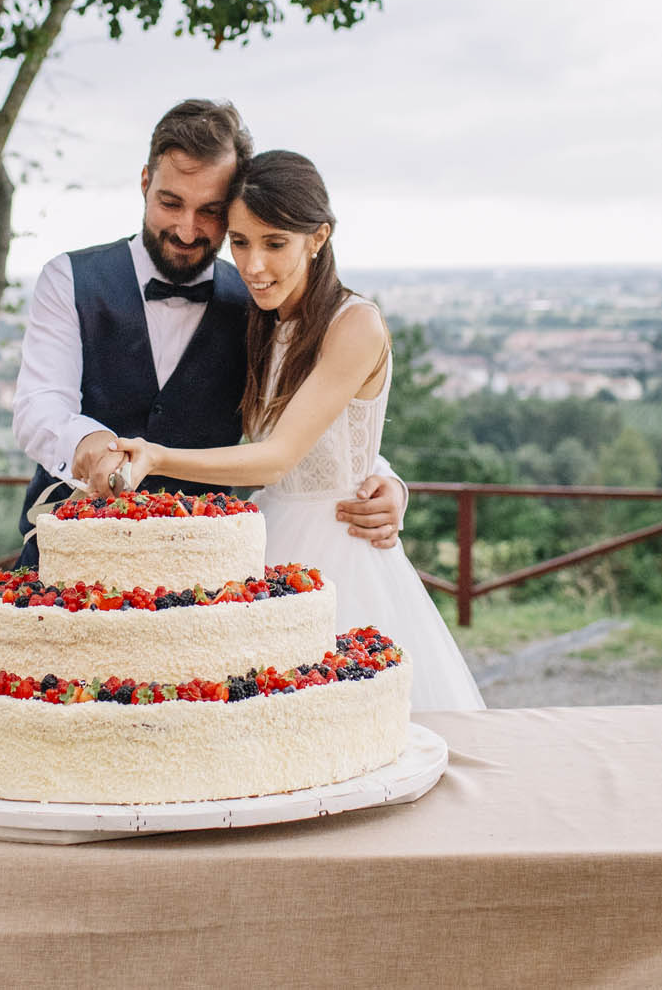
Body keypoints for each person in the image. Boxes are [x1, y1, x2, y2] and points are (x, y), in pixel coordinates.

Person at [112, 150, 485, 712]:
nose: (254, 264)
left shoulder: (354, 323)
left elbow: (279, 455)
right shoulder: (263, 319)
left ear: (319, 237)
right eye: (239, 242)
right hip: (267, 537)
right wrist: (385, 477)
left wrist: (155, 458)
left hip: (340, 550)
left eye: (274, 243)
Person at [11, 101, 409, 567]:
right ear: (145, 183)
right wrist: (86, 443)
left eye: (211, 212)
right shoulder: (68, 278)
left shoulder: (257, 301)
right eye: (170, 202)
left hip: (205, 564)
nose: (186, 229)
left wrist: (380, 480)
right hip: (72, 553)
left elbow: (307, 414)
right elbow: (39, 404)